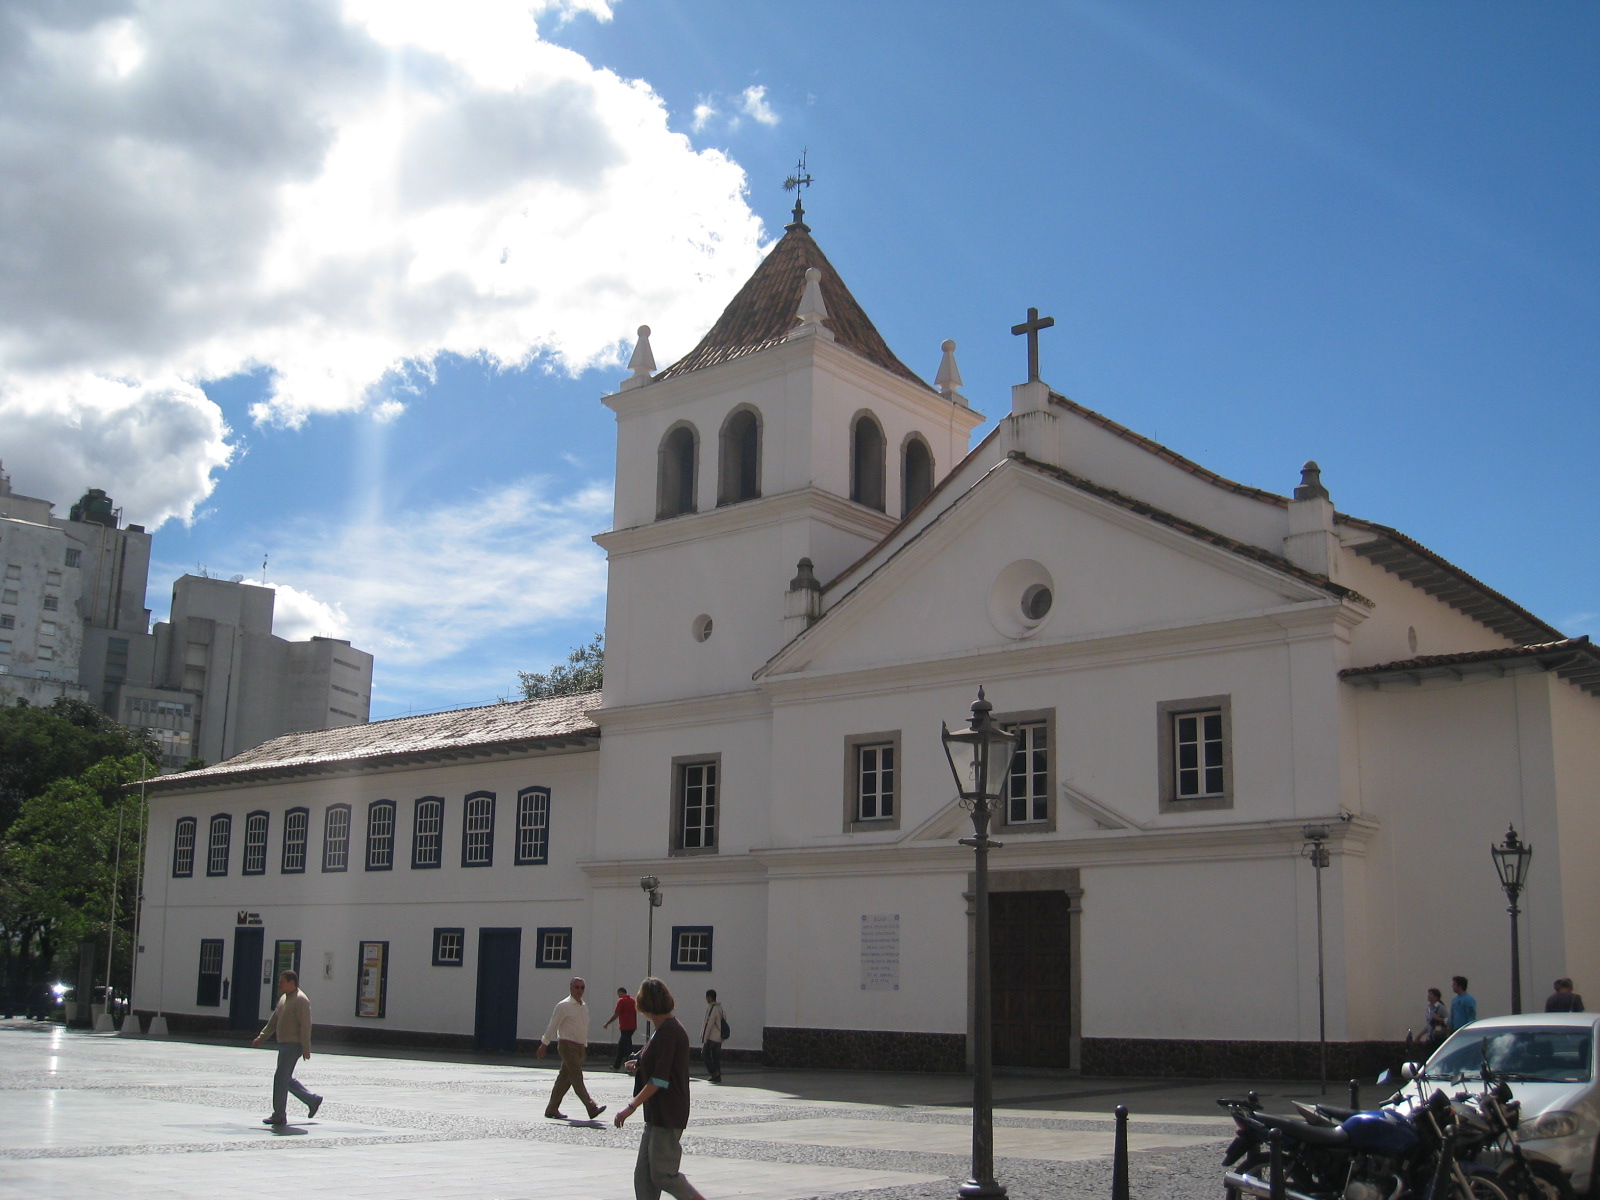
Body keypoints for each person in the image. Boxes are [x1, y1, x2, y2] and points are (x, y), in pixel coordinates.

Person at [614, 977, 706, 1200]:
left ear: (644, 1005)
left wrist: (631, 1106)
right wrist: (639, 1063)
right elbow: (658, 1064)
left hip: (668, 1114)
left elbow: (660, 1079)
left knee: (664, 1175)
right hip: (656, 1115)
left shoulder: (669, 1031)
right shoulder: (661, 1030)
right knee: (644, 1179)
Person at [251, 969, 323, 1126]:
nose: (279, 985)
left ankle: (279, 1115)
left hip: (293, 1045)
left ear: (291, 983)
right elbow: (273, 1021)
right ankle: (312, 1100)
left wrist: (306, 1048)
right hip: (283, 1044)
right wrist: (261, 1037)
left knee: (280, 1079)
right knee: (285, 1079)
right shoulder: (284, 999)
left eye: (282, 982)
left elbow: (306, 1026)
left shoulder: (301, 1000)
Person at [537, 976, 605, 1120]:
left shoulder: (583, 1006)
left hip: (579, 1047)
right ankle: (591, 1106)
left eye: (582, 987)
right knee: (576, 1076)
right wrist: (544, 1044)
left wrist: (584, 1045)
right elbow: (553, 1025)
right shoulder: (563, 1006)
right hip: (567, 1045)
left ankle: (552, 1108)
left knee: (565, 1079)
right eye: (577, 987)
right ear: (570, 988)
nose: (580, 990)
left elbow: (583, 1027)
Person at [606, 985, 640, 1071]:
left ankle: (632, 1066)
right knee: (622, 1046)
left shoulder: (621, 1001)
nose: (618, 996)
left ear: (621, 992)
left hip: (625, 1027)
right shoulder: (633, 1001)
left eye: (618, 994)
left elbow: (616, 1014)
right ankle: (616, 1066)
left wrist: (607, 1023)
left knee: (627, 1048)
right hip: (632, 1027)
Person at [700, 989, 726, 1084]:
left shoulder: (712, 1008)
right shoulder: (720, 1008)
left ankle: (714, 1073)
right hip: (719, 1037)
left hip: (712, 1037)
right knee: (716, 1057)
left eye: (707, 997)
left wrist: (704, 1037)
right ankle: (717, 1076)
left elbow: (708, 1023)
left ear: (710, 997)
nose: (706, 999)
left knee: (705, 1053)